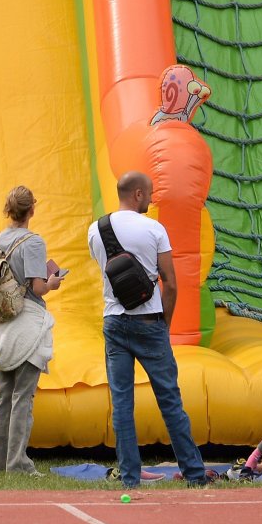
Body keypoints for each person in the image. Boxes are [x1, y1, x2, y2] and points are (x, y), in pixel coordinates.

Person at [86, 171, 207, 487]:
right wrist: (163, 325)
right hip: (149, 321)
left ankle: (130, 477)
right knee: (170, 400)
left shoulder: (96, 230)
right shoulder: (154, 229)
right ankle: (194, 474)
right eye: (150, 194)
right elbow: (171, 282)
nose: (152, 200)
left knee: (122, 403)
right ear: (138, 194)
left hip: (113, 321)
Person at [0, 185, 66, 474]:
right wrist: (53, 283)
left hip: (1, 326)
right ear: (32, 209)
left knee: (3, 396)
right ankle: (17, 463)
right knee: (23, 396)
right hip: (27, 324)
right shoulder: (33, 243)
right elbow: (37, 288)